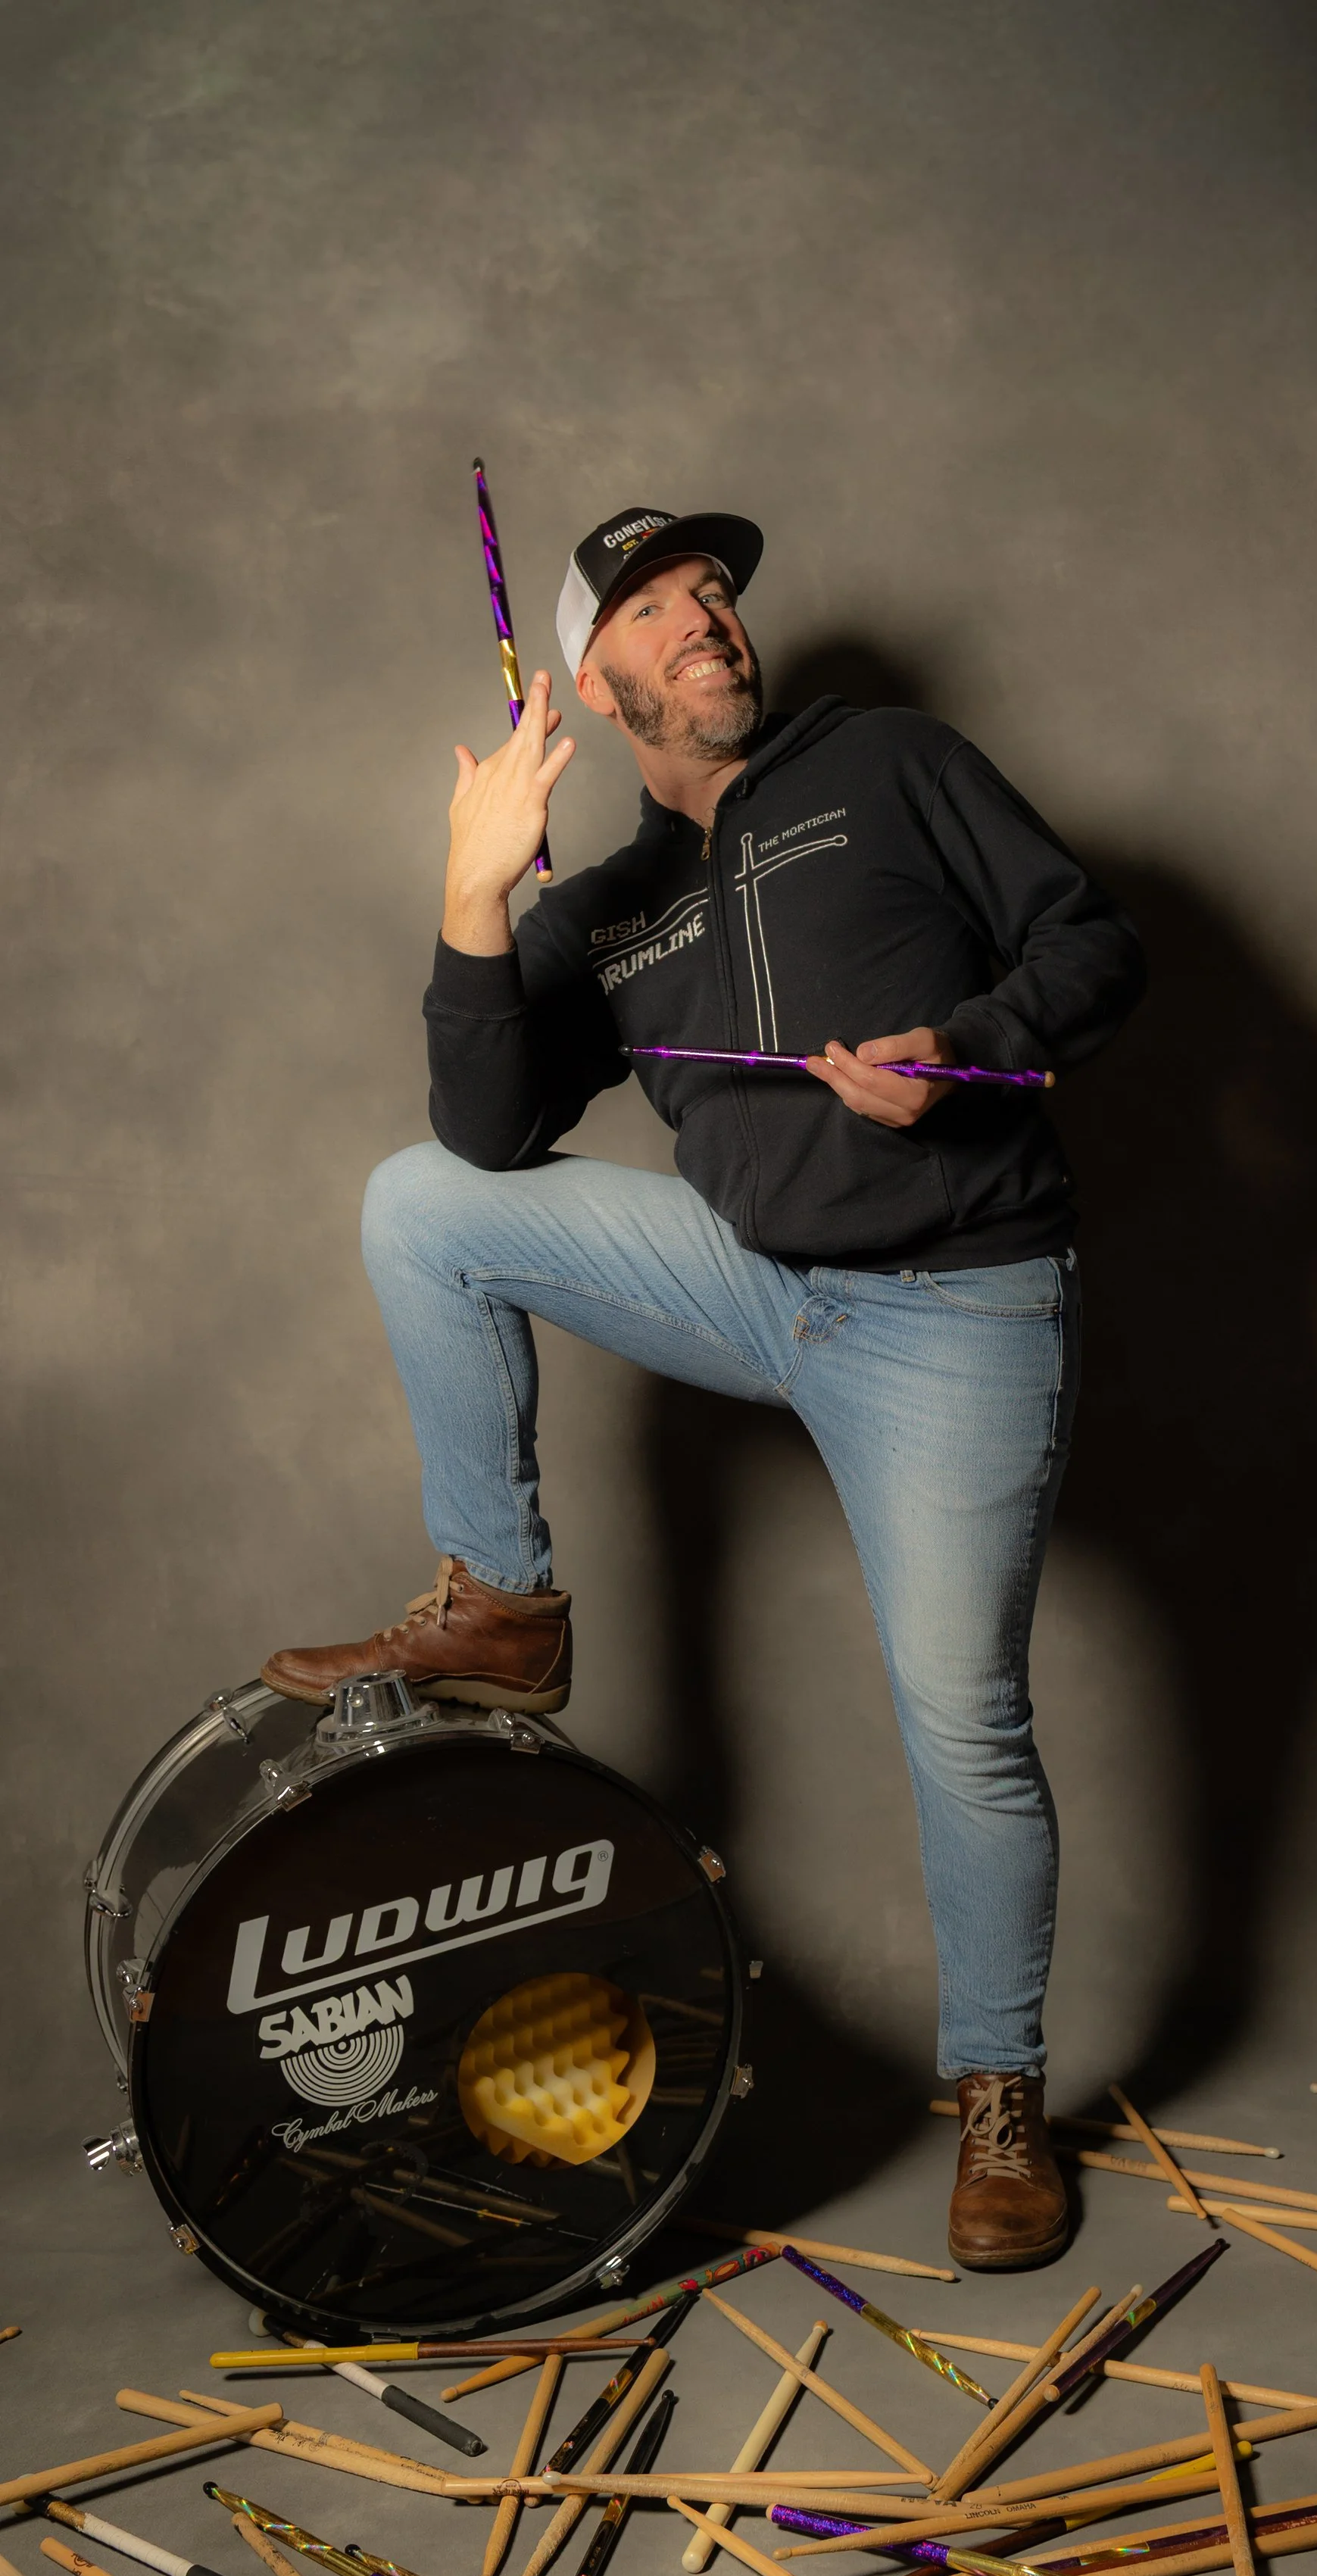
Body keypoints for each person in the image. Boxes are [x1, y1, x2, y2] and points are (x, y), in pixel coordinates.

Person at [262, 503, 1144, 2268]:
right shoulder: (613, 909)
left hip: (953, 1312)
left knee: (959, 1712)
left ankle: (997, 2097)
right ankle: (504, 1603)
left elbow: (1091, 944)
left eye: (714, 593)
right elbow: (489, 1131)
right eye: (658, 611)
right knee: (417, 1205)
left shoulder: (889, 762)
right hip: (755, 1290)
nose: (707, 622)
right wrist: (470, 890)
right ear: (590, 688)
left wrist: (970, 1052)